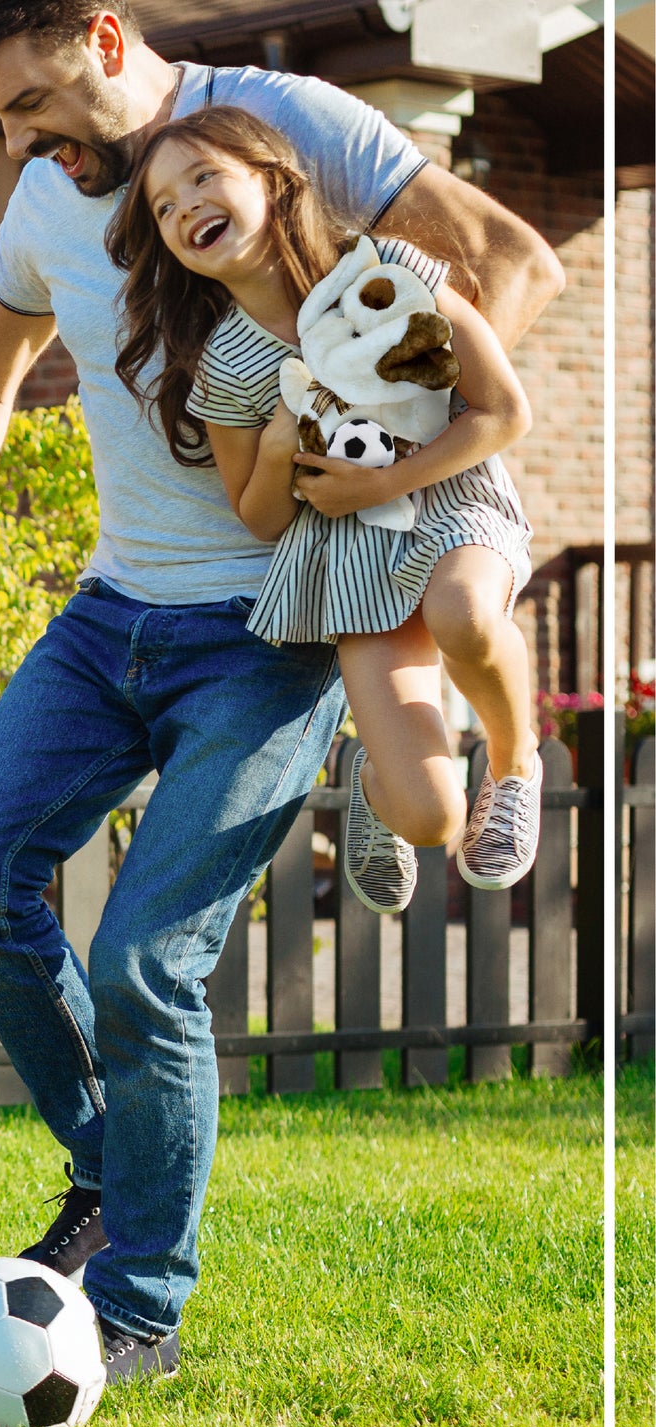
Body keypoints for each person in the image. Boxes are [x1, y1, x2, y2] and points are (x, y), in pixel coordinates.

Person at [0, 0, 563, 1382]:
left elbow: (509, 261)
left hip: (276, 627)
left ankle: (137, 1308)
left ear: (107, 40)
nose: (19, 143)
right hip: (112, 611)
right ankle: (113, 1175)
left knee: (144, 962)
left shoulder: (289, 124)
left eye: (35, 104)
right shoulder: (51, 196)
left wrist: (397, 465)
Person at [107, 106, 540, 913]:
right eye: (162, 207)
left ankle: (516, 764)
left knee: (462, 612)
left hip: (450, 503)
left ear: (271, 180)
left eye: (203, 176)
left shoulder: (389, 273)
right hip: (347, 557)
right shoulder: (227, 367)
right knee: (429, 816)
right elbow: (261, 518)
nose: (183, 206)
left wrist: (383, 482)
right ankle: (380, 787)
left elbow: (501, 412)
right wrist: (274, 451)